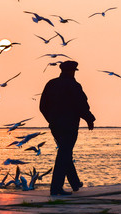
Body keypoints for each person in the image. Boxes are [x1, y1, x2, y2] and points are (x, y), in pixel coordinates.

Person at [39, 61, 95, 195]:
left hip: (55, 126)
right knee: (64, 154)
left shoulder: (51, 84)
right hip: (69, 126)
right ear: (72, 71)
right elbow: (81, 105)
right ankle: (56, 188)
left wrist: (51, 120)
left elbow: (42, 106)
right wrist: (89, 119)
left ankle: (75, 183)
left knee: (65, 153)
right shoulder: (74, 85)